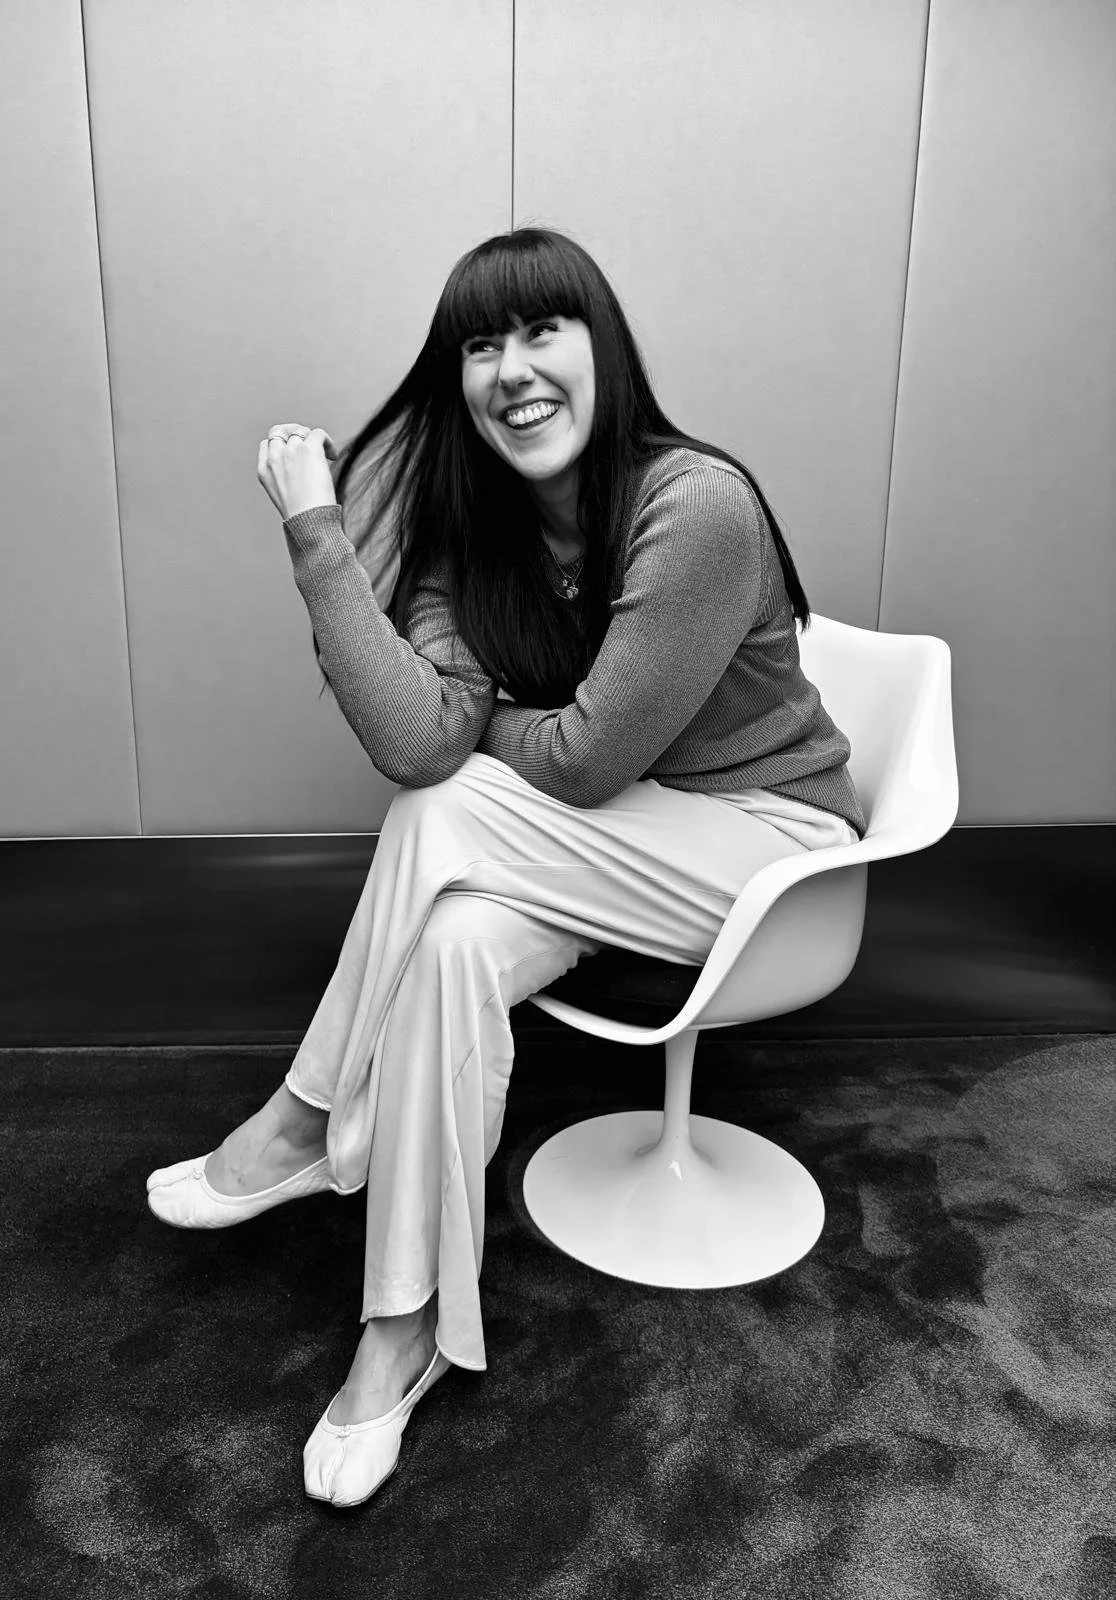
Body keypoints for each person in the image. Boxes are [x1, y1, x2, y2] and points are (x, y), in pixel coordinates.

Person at [145, 227, 866, 1508]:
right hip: (611, 850)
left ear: (605, 349)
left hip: (769, 852)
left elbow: (579, 764)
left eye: (544, 330)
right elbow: (420, 738)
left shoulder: (693, 506)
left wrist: (508, 733)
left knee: (452, 816)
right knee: (455, 939)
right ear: (455, 380)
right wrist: (320, 533)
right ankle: (402, 1328)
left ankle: (310, 1117)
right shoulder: (476, 543)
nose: (514, 368)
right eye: (483, 344)